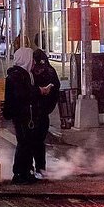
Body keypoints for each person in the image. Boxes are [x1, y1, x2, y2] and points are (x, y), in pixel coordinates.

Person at [3, 47, 36, 184]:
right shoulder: (18, 76)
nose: (34, 62)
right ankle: (19, 174)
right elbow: (22, 95)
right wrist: (38, 91)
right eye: (32, 59)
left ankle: (26, 171)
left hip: (22, 114)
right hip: (20, 114)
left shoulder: (23, 74)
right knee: (24, 143)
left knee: (27, 142)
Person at [31, 49, 60, 179]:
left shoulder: (30, 72)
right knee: (38, 141)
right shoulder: (50, 71)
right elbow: (56, 89)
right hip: (42, 112)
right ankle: (40, 168)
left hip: (33, 111)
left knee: (30, 141)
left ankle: (31, 168)